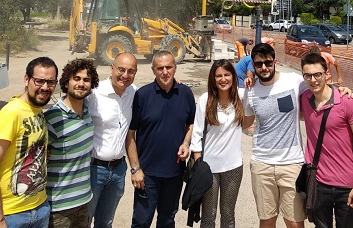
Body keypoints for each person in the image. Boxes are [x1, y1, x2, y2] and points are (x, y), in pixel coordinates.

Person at [0, 57, 59, 228]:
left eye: (51, 82)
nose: (45, 87)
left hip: (39, 208)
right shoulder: (11, 113)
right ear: (26, 79)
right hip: (11, 216)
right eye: (39, 81)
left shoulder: (37, 111)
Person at [299, 52, 353, 228]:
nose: (313, 80)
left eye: (318, 74)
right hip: (318, 182)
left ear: (326, 74)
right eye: (308, 75)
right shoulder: (305, 99)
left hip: (346, 185)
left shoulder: (347, 102)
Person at [126, 50, 195, 228]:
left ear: (175, 68)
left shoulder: (186, 93)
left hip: (174, 173)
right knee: (141, 222)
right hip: (147, 175)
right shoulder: (142, 95)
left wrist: (186, 143)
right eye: (160, 68)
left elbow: (191, 125)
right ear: (153, 70)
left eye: (168, 67)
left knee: (167, 221)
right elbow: (130, 134)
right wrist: (135, 169)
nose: (165, 72)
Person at [242, 42, 307, 228]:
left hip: (292, 164)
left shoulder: (293, 81)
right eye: (258, 64)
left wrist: (342, 91)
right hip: (262, 163)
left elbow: (319, 88)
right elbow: (246, 122)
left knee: (294, 222)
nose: (264, 68)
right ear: (252, 66)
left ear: (275, 62)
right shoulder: (251, 91)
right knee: (267, 220)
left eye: (268, 63)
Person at [190, 59, 254, 228]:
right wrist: (198, 163)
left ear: (233, 77)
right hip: (209, 167)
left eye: (227, 75)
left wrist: (251, 85)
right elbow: (196, 132)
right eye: (218, 76)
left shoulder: (241, 96)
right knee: (208, 215)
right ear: (213, 78)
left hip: (233, 167)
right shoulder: (206, 99)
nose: (223, 79)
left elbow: (247, 123)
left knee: (228, 214)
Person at [44, 58, 99, 227]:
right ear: (66, 82)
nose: (81, 84)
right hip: (59, 208)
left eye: (86, 80)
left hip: (83, 202)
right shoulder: (53, 118)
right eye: (76, 78)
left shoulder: (87, 112)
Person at [86, 52, 139, 228]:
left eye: (130, 71)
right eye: (121, 69)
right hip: (94, 169)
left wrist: (176, 83)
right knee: (84, 220)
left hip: (118, 170)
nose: (125, 75)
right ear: (112, 68)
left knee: (106, 222)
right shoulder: (94, 94)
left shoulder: (134, 93)